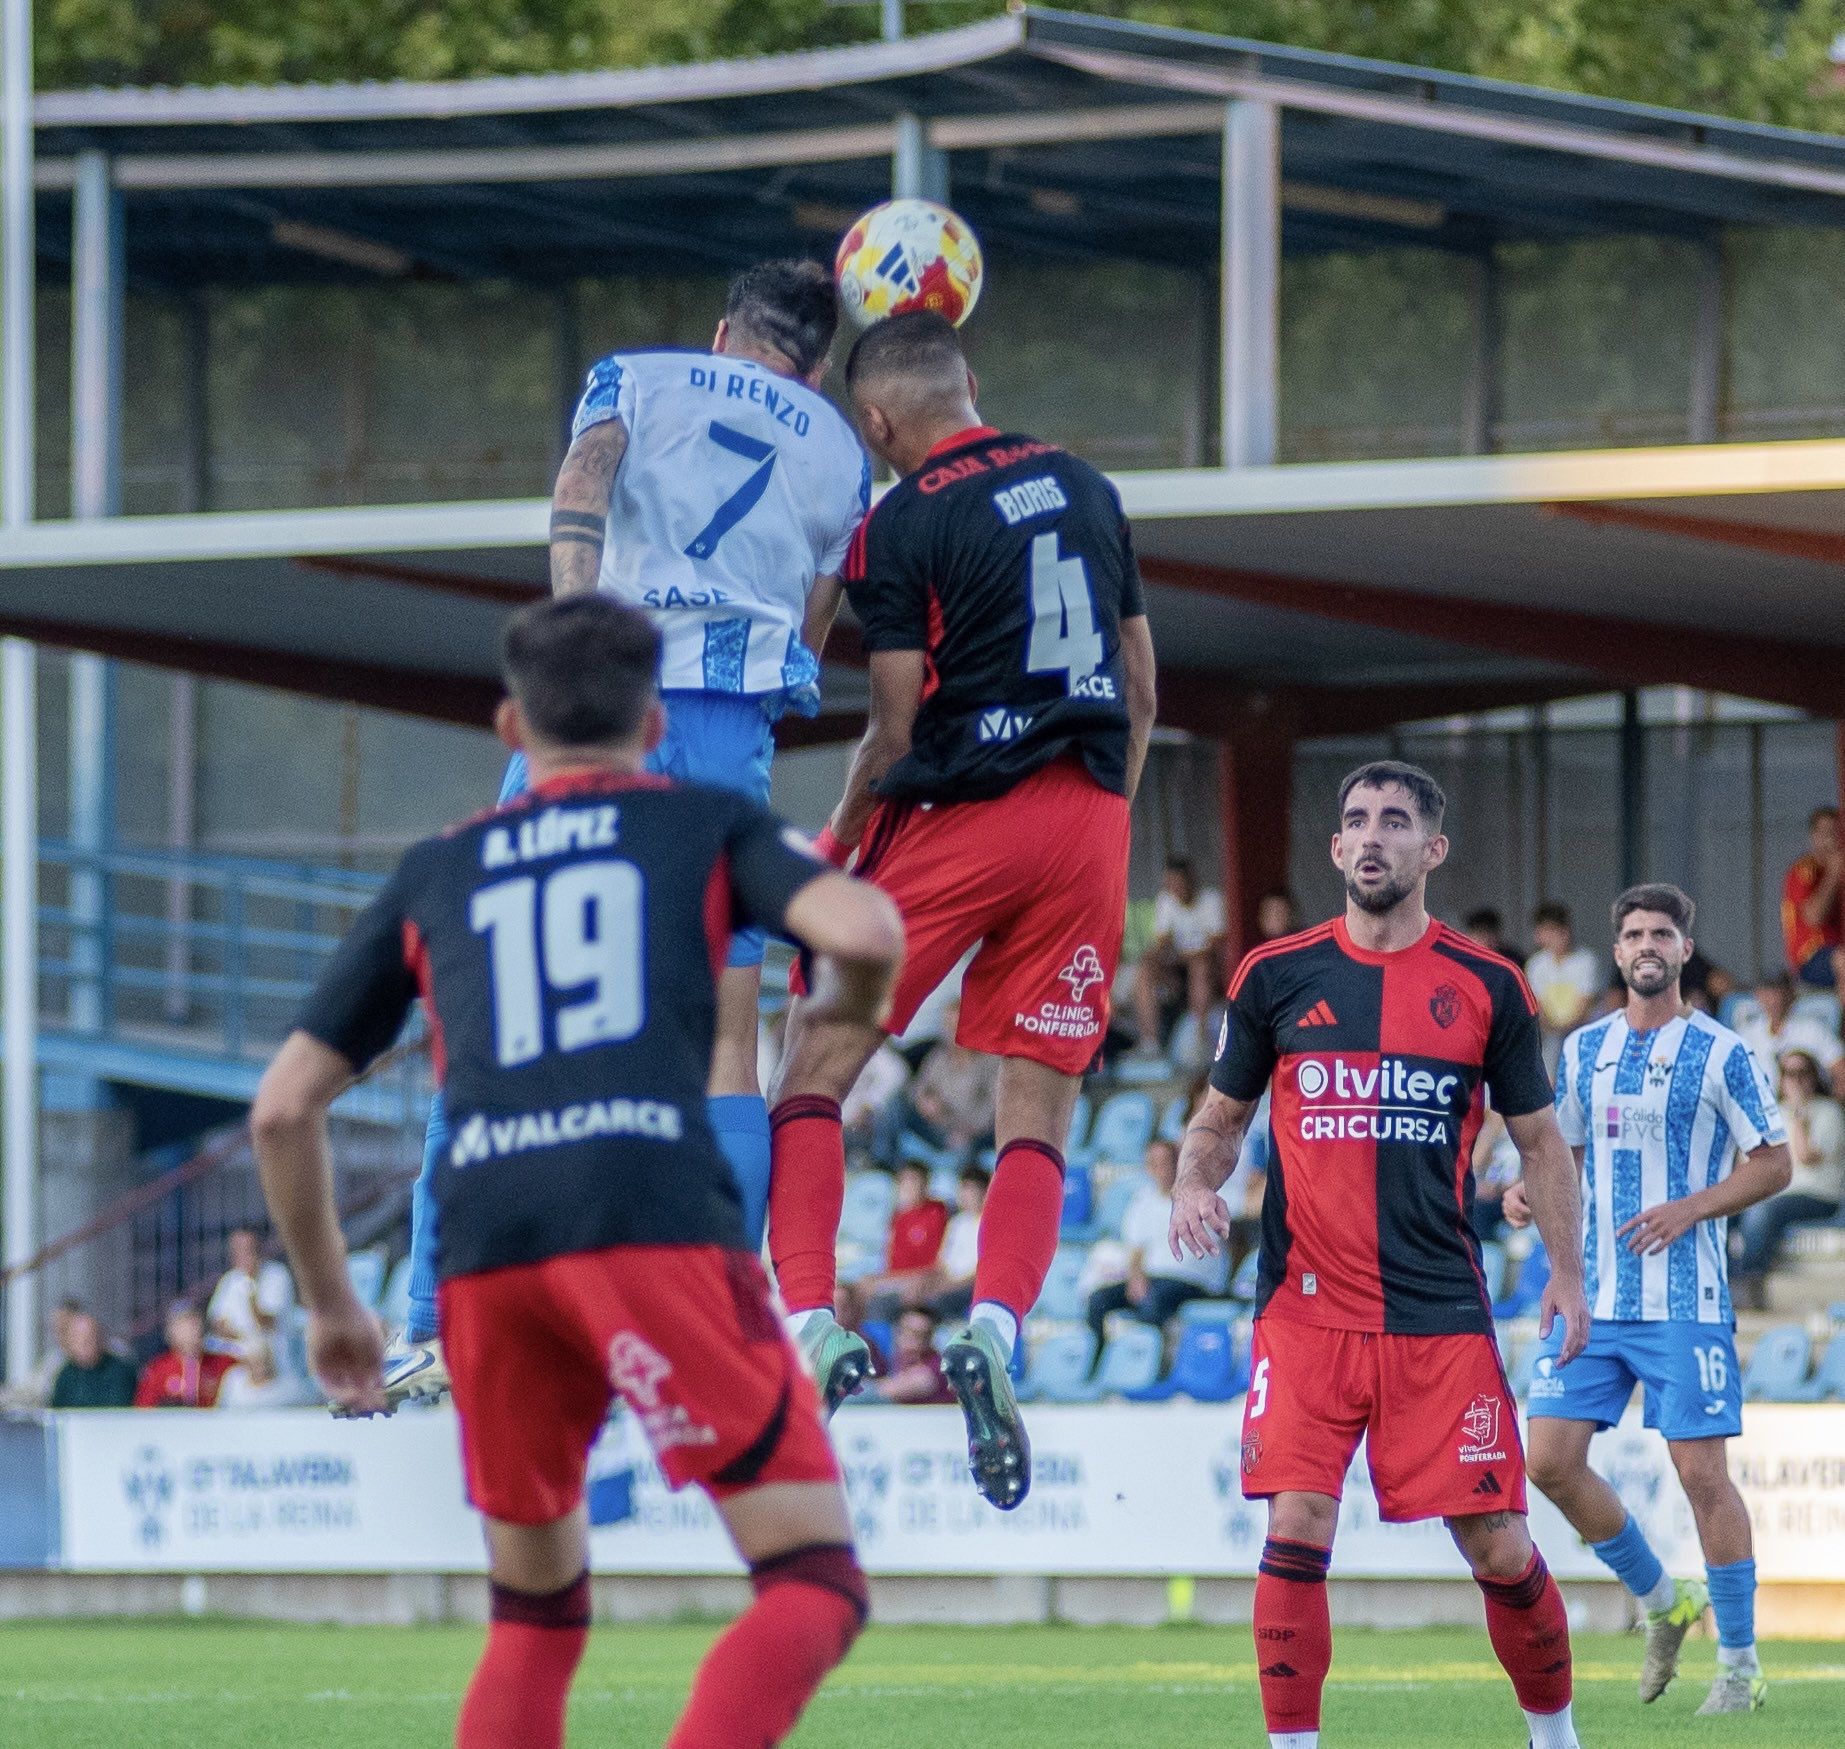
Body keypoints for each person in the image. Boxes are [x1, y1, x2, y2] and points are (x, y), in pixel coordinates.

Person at [250, 596, 901, 1749]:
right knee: (813, 1582)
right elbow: (863, 932)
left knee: (536, 1620)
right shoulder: (703, 822)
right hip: (648, 1215)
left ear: (512, 727)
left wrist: (332, 1305)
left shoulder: (441, 868)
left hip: (487, 1247)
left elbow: (283, 1108)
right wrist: (846, 1010)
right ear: (653, 725)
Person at [384, 259, 869, 1413]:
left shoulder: (637, 378)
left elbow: (583, 484)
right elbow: (818, 609)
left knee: (492, 1004)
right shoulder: (842, 449)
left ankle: (432, 1325)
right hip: (727, 736)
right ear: (812, 368)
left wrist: (575, 628)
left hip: (603, 711)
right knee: (728, 1044)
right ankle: (728, 1322)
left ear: (722, 334)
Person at [766, 310, 1158, 1510]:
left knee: (812, 1071)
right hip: (1088, 819)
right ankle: (992, 1327)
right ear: (972, 382)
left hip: (954, 822)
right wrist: (1101, 820)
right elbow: (1142, 689)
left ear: (875, 422)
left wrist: (837, 843)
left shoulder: (899, 523)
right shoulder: (1086, 486)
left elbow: (892, 731)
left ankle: (813, 1325)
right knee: (1037, 1110)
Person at [1170, 759, 1591, 1749]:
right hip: (1305, 1309)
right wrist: (1193, 1180)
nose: (1372, 835)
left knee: (1498, 1545)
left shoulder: (1488, 985)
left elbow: (1541, 1143)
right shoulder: (1275, 974)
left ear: (1432, 849)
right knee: (1295, 1524)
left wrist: (1567, 1275)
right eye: (1356, 820)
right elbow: (1220, 1119)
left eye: (1394, 821)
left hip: (1436, 1311)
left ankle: (1556, 1740)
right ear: (1334, 847)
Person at [1510, 881, 1792, 1717]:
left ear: (1682, 949)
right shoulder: (1583, 1049)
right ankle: (1663, 1599)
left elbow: (1773, 1162)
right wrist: (1527, 1193)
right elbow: (1558, 1152)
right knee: (1546, 1461)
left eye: (1660, 934)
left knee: (1701, 1474)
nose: (1645, 945)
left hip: (1684, 1300)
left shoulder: (1721, 1052)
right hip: (1591, 1295)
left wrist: (1690, 1206)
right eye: (1632, 933)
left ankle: (1737, 1665)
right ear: (1616, 948)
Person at [1085, 1138, 1223, 1352]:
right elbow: (1136, 1250)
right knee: (1098, 1300)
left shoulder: (1202, 1197)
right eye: (1154, 1164)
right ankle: (1099, 1358)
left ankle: (1147, 1359)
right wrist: (1136, 1278)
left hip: (1190, 1280)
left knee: (1153, 1301)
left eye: (1165, 1163)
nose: (1161, 1170)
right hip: (1154, 1278)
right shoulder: (1143, 1202)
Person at [1730, 1049, 1843, 1308]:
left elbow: (1806, 1156)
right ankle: (1724, 1281)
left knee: (1761, 1213)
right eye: (1788, 1073)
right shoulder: (1772, 1113)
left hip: (1817, 1195)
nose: (1796, 1080)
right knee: (1723, 1213)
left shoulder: (1829, 1112)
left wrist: (1799, 1114)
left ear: (1814, 1077)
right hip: (1777, 1193)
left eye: (1802, 1072)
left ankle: (1751, 1283)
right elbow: (1747, 1164)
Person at [870, 1002, 998, 1168]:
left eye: (956, 1026)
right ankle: (884, 1164)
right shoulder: (938, 1056)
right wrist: (924, 1102)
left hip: (968, 1134)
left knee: (963, 1148)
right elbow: (917, 1089)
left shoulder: (989, 1062)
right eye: (947, 1026)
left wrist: (966, 1130)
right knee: (896, 1103)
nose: (951, 1033)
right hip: (934, 1126)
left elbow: (992, 1110)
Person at [1132, 856, 1228, 1055]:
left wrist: (1183, 955)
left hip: (1208, 970)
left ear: (1190, 879)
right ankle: (1150, 1042)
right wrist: (1157, 956)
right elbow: (1163, 943)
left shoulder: (1211, 899)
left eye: (1178, 882)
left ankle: (1198, 1039)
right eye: (1170, 883)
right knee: (1146, 967)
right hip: (1178, 969)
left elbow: (1215, 946)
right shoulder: (1166, 900)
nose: (1174, 888)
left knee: (1199, 966)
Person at [1735, 969, 1845, 1100]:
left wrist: (1830, 1103)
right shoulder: (1747, 1034)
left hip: (1809, 1104)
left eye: (1778, 992)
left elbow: (1841, 1072)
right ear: (1758, 995)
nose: (1773, 999)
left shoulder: (1813, 1030)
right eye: (1766, 993)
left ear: (1790, 994)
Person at [858, 1162, 949, 1319]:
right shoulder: (899, 1217)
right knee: (859, 1286)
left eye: (913, 1180)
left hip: (921, 1276)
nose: (908, 1186)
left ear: (926, 1183)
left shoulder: (938, 1212)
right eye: (904, 1181)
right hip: (896, 1277)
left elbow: (941, 1261)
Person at [1526, 902, 1600, 1070]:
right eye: (1549, 931)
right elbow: (1538, 1006)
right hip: (1549, 1036)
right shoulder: (1536, 964)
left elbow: (1586, 1004)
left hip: (1582, 1032)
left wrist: (1565, 1030)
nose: (1557, 937)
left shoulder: (1586, 960)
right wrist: (1552, 1029)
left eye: (1559, 931)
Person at [1781, 805, 1845, 990]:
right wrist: (1833, 874)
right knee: (1842, 960)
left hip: (1837, 949)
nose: (1830, 838)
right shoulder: (1804, 871)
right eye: (1824, 833)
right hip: (1810, 957)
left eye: (1834, 832)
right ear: (1814, 837)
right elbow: (1813, 917)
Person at [206, 1226, 295, 1358]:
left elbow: (266, 1322)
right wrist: (237, 1336)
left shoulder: (277, 1275)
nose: (241, 1256)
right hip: (236, 1352)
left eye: (247, 1250)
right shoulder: (230, 1279)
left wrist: (251, 1286)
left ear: (258, 1251)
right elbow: (218, 1322)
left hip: (271, 1355)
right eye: (236, 1251)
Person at [135, 1301, 236, 1408]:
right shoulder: (158, 1369)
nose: (190, 1330)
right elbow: (144, 1408)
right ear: (170, 1331)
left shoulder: (222, 1363)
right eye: (182, 1325)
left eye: (194, 1323)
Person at [863, 1308, 956, 1405]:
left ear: (931, 1340)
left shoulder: (936, 1369)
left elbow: (886, 1392)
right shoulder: (896, 1362)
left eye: (921, 1336)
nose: (913, 1343)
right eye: (906, 1332)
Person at [49, 1309, 138, 1409]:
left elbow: (117, 1409)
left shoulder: (120, 1371)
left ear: (100, 1338)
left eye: (89, 1337)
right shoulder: (66, 1374)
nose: (84, 1343)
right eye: (78, 1338)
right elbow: (57, 1410)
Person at [217, 1340, 316, 1409]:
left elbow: (310, 1404)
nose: (259, 1367)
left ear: (270, 1362)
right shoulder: (234, 1381)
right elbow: (221, 1409)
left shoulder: (287, 1387)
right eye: (253, 1362)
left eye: (263, 1361)